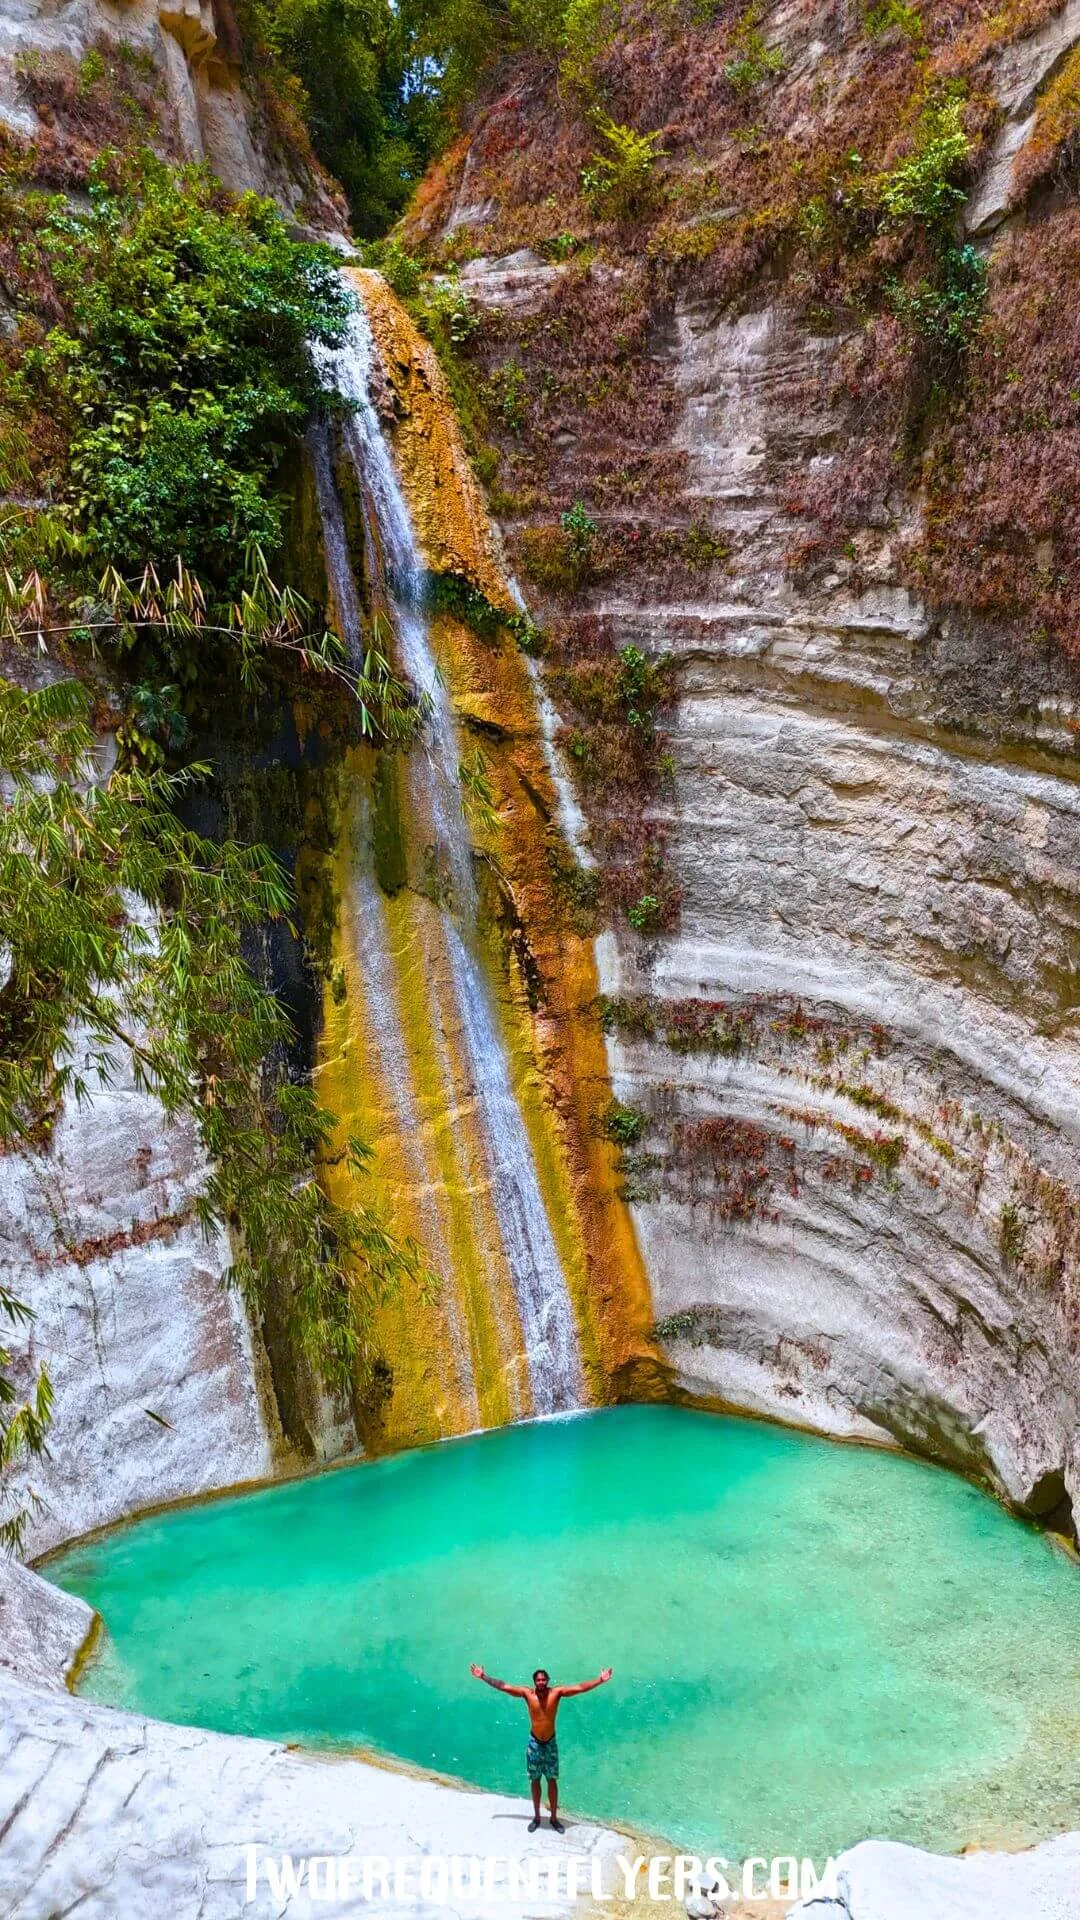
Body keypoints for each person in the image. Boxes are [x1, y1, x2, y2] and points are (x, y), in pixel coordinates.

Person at [469, 1662, 613, 1833]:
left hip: (550, 1743)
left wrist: (600, 1680)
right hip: (534, 1743)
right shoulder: (527, 1694)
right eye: (538, 1680)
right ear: (534, 1682)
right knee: (535, 1780)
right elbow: (504, 1686)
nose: (541, 1682)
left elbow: (579, 1688)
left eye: (544, 1679)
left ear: (548, 1681)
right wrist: (484, 1677)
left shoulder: (556, 1693)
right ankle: (537, 1817)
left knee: (552, 1780)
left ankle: (553, 1818)